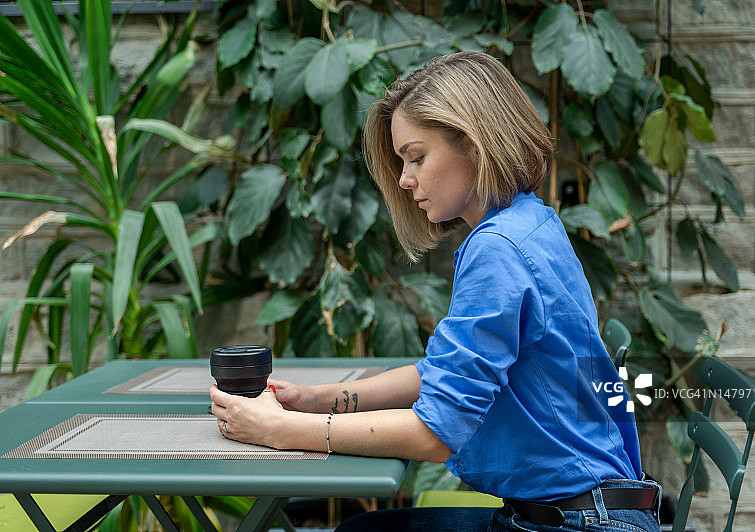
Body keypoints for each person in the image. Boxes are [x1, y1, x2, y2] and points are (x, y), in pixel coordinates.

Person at [210, 51, 661, 532]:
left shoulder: (497, 250)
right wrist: (318, 399)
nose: (405, 180)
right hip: (586, 510)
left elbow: (433, 434)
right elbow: (440, 375)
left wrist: (282, 429)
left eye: (417, 157)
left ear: (475, 144)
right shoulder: (531, 221)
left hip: (577, 524)